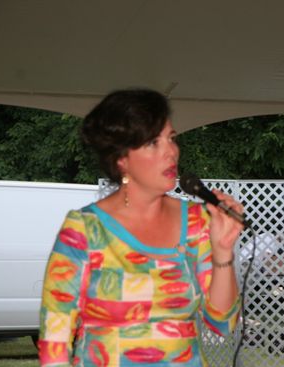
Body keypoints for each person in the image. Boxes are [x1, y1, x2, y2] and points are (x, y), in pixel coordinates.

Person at [38, 88, 244, 366]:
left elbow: (223, 322)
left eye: (171, 138)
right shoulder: (84, 230)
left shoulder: (196, 220)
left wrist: (222, 251)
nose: (171, 151)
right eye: (153, 143)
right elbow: (55, 344)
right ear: (121, 158)